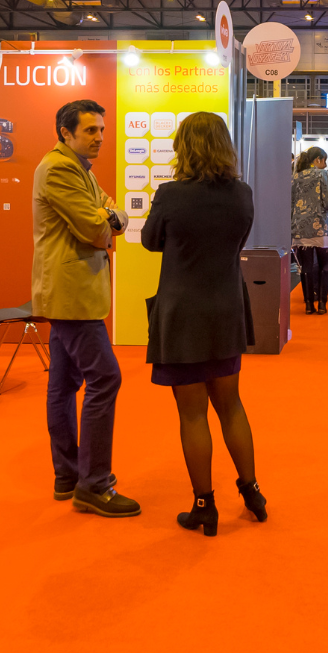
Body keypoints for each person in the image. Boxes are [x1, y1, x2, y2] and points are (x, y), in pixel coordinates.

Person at [141, 112, 266, 536]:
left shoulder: (171, 194)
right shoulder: (242, 194)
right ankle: (252, 492)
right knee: (231, 405)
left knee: (193, 414)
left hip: (182, 315)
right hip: (227, 309)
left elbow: (150, 241)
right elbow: (238, 241)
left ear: (185, 148)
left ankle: (204, 505)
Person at [32, 98, 136, 517]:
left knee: (63, 383)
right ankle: (93, 484)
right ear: (66, 132)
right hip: (71, 295)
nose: (99, 138)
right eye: (91, 130)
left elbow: (113, 213)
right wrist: (109, 219)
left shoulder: (80, 170)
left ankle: (68, 475)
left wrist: (111, 217)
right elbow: (97, 226)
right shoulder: (58, 169)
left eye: (101, 130)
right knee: (105, 378)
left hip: (73, 293)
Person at [290, 147, 328, 314]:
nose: (325, 164)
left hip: (301, 227)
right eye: (324, 160)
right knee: (324, 265)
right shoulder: (322, 174)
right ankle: (322, 304)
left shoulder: (296, 176)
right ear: (318, 159)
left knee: (306, 266)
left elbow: (291, 203)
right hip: (321, 226)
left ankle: (308, 304)